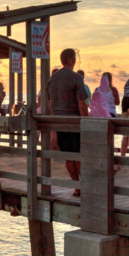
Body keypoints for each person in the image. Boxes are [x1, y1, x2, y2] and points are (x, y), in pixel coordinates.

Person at [47, 49, 89, 197]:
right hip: (75, 123)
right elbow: (82, 105)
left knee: (69, 156)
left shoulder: (52, 79)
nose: (77, 60)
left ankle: (76, 187)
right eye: (75, 58)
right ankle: (81, 185)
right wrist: (87, 124)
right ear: (70, 60)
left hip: (59, 123)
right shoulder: (76, 77)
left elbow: (49, 103)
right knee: (79, 155)